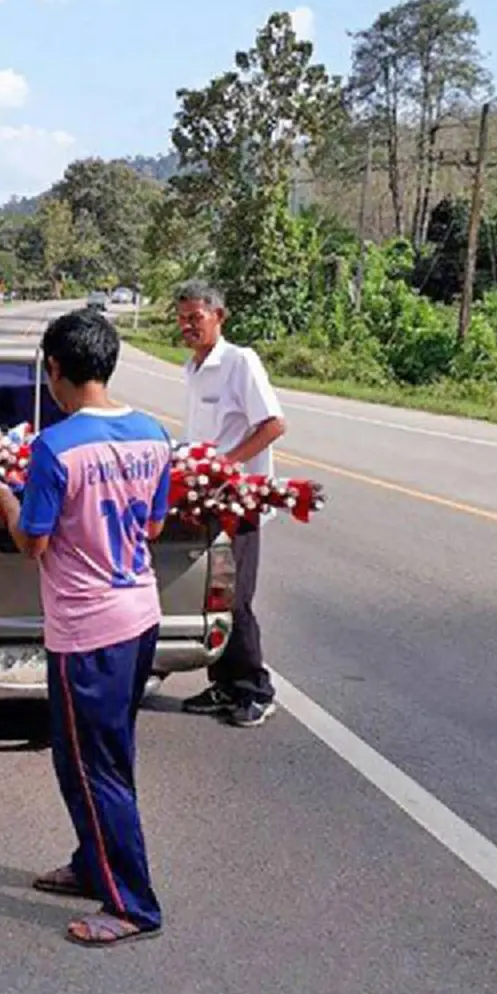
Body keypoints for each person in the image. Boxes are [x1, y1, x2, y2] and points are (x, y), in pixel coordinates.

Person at [0, 308, 170, 949]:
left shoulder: (56, 448)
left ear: (56, 370)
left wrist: (6, 499)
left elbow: (32, 543)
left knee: (96, 767)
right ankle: (93, 860)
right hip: (138, 614)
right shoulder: (153, 434)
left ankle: (131, 904)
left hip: (88, 626)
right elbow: (151, 527)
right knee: (92, 756)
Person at [175, 279, 287, 729]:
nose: (187, 326)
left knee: (236, 595)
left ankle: (255, 688)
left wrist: (226, 464)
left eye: (195, 318)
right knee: (212, 593)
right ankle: (223, 683)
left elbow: (274, 424)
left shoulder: (240, 362)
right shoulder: (193, 367)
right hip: (208, 496)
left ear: (219, 317)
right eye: (182, 318)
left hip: (239, 497)